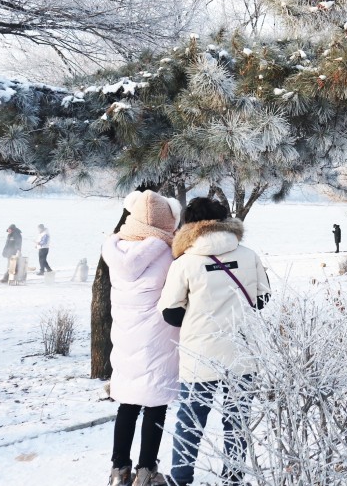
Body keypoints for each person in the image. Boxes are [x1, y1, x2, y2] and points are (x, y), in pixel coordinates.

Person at [158, 197, 271, 486]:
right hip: (243, 352)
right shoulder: (248, 255)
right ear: (225, 220)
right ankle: (233, 477)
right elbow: (262, 300)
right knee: (237, 422)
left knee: (190, 421)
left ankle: (181, 478)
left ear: (189, 225)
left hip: (201, 354)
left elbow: (171, 313)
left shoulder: (185, 263)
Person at [102, 191, 182, 486]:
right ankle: (146, 471)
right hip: (157, 337)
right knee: (156, 403)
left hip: (125, 337)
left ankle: (118, 470)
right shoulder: (168, 253)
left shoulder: (116, 250)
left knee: (127, 403)